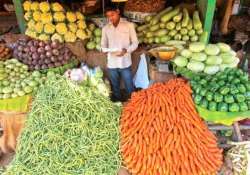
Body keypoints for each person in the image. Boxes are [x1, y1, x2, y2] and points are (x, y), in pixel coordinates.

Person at [101, 4, 139, 102]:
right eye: (108, 16)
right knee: (115, 85)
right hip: (112, 63)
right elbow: (103, 44)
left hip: (125, 61)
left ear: (118, 11)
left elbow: (135, 43)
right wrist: (105, 50)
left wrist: (126, 50)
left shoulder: (129, 25)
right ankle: (117, 102)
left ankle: (133, 102)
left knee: (129, 84)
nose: (110, 18)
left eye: (112, 15)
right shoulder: (105, 28)